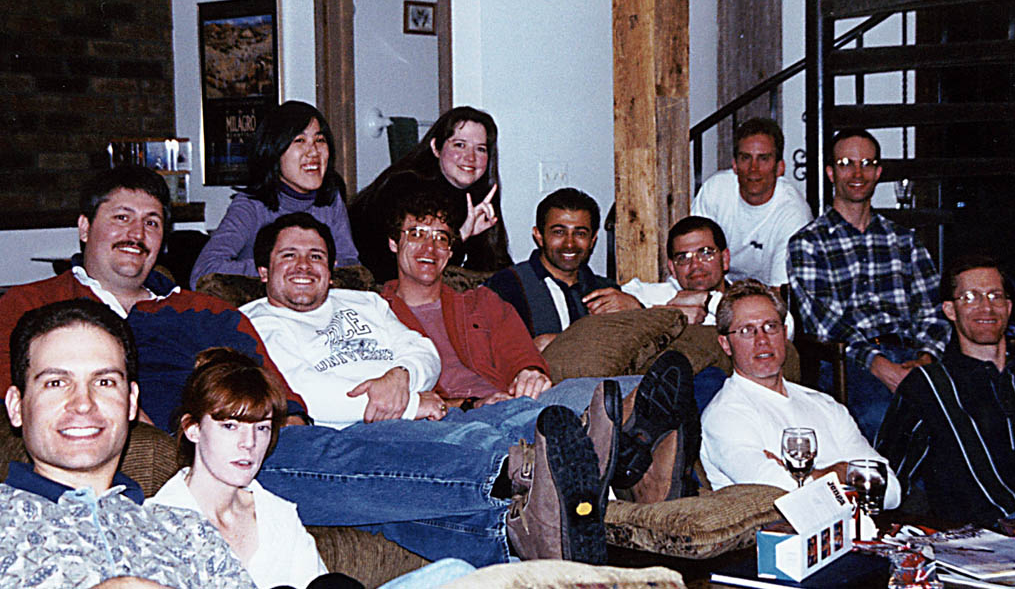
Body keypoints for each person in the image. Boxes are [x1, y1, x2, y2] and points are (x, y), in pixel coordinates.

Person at [240, 213, 610, 566]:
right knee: (473, 435)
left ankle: (585, 465)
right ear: (263, 271)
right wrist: (410, 403)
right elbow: (300, 390)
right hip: (359, 427)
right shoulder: (251, 323)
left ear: (331, 272)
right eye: (289, 256)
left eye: (316, 256)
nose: (304, 266)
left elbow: (422, 351)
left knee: (523, 414)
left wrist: (401, 373)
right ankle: (543, 471)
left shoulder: (365, 302)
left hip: (420, 408)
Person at [379, 191, 702, 502]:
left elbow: (519, 350)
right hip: (460, 418)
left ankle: (642, 475)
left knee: (645, 388)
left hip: (520, 400)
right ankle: (626, 471)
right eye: (418, 234)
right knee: (563, 422)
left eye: (441, 237)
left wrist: (529, 371)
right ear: (394, 243)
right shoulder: (373, 312)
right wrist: (469, 402)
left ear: (450, 251)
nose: (430, 247)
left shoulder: (479, 301)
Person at [0, 165, 305, 433]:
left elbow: (284, 405)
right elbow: (11, 398)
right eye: (122, 217)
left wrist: (289, 430)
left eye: (152, 223)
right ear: (85, 227)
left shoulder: (210, 312)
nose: (136, 234)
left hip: (235, 449)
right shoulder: (32, 303)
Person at [150, 347, 476, 589]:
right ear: (192, 429)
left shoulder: (275, 512)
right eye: (230, 427)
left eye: (261, 428)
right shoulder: (157, 523)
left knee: (456, 573)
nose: (248, 444)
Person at [1, 298, 256, 587]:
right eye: (56, 383)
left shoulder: (190, 533)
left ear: (132, 402)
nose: (83, 404)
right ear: (16, 407)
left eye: (104, 382)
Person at [787, 128, 949, 439]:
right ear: (831, 172)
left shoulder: (905, 240)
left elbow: (934, 311)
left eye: (867, 163)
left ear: (878, 172)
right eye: (847, 163)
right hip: (850, 365)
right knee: (883, 419)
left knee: (961, 420)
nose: (857, 173)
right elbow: (824, 322)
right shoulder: (808, 243)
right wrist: (879, 365)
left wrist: (926, 359)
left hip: (915, 359)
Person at [699, 280, 901, 509]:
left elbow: (891, 491)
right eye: (747, 331)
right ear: (726, 344)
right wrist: (842, 471)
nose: (762, 340)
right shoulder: (725, 416)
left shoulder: (825, 405)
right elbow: (788, 501)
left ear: (785, 333)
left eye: (770, 326)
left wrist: (808, 478)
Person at [876, 255, 1015, 526]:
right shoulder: (928, 387)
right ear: (949, 310)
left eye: (995, 296)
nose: (986, 307)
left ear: (1009, 306)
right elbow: (889, 477)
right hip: (985, 545)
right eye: (970, 297)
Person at [190, 100, 360, 289]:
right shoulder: (251, 206)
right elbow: (203, 272)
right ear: (274, 151)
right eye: (300, 141)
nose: (313, 152)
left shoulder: (330, 201)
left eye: (319, 140)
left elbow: (351, 266)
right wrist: (275, 269)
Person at [349, 106, 512, 281]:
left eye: (480, 149)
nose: (470, 157)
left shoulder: (479, 196)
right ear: (436, 148)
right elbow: (416, 270)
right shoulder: (406, 187)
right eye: (459, 145)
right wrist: (462, 235)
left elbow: (492, 266)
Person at [485, 188, 640, 351]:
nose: (569, 244)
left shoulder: (605, 291)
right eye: (559, 232)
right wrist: (528, 352)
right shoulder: (507, 286)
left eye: (580, 234)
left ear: (592, 240)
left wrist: (637, 311)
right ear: (539, 236)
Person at [622, 216, 795, 335]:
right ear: (672, 268)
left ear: (725, 259)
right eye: (683, 257)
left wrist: (709, 301)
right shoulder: (658, 294)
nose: (695, 265)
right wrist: (661, 314)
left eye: (705, 253)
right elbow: (616, 299)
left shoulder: (744, 296)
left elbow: (787, 325)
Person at [691, 118, 811, 287]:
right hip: (715, 289)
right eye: (746, 158)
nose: (753, 169)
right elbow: (693, 257)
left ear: (779, 168)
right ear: (734, 165)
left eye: (763, 159)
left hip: (766, 298)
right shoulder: (715, 191)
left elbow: (781, 291)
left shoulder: (794, 214)